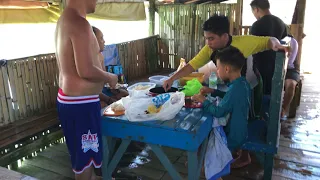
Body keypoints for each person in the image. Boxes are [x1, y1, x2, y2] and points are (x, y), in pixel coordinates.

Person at [162, 14, 289, 169]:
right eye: (206, 38)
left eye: (211, 38)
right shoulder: (210, 49)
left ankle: (244, 155)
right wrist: (171, 79)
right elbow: (192, 65)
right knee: (236, 116)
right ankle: (232, 148)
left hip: (251, 86)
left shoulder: (244, 42)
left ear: (224, 36)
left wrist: (276, 44)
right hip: (234, 86)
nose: (208, 43)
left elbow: (268, 40)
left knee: (246, 118)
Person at [54, 0, 118, 179]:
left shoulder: (64, 19)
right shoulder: (80, 23)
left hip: (70, 101)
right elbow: (86, 70)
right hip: (81, 105)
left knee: (80, 157)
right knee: (86, 158)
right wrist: (109, 77)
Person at [192, 46, 250, 180]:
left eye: (217, 68)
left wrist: (203, 100)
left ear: (227, 69)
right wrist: (213, 91)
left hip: (233, 135)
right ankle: (205, 163)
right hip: (241, 129)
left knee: (210, 141)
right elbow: (230, 97)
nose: (216, 71)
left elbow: (218, 112)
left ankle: (213, 171)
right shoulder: (242, 84)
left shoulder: (235, 89)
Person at [92, 26, 129, 108]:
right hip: (95, 95)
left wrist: (115, 89)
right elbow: (92, 91)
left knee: (125, 94)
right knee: (103, 105)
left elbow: (104, 81)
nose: (104, 41)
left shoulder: (100, 56)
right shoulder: (89, 61)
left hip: (102, 92)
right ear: (92, 41)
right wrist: (109, 100)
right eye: (101, 38)